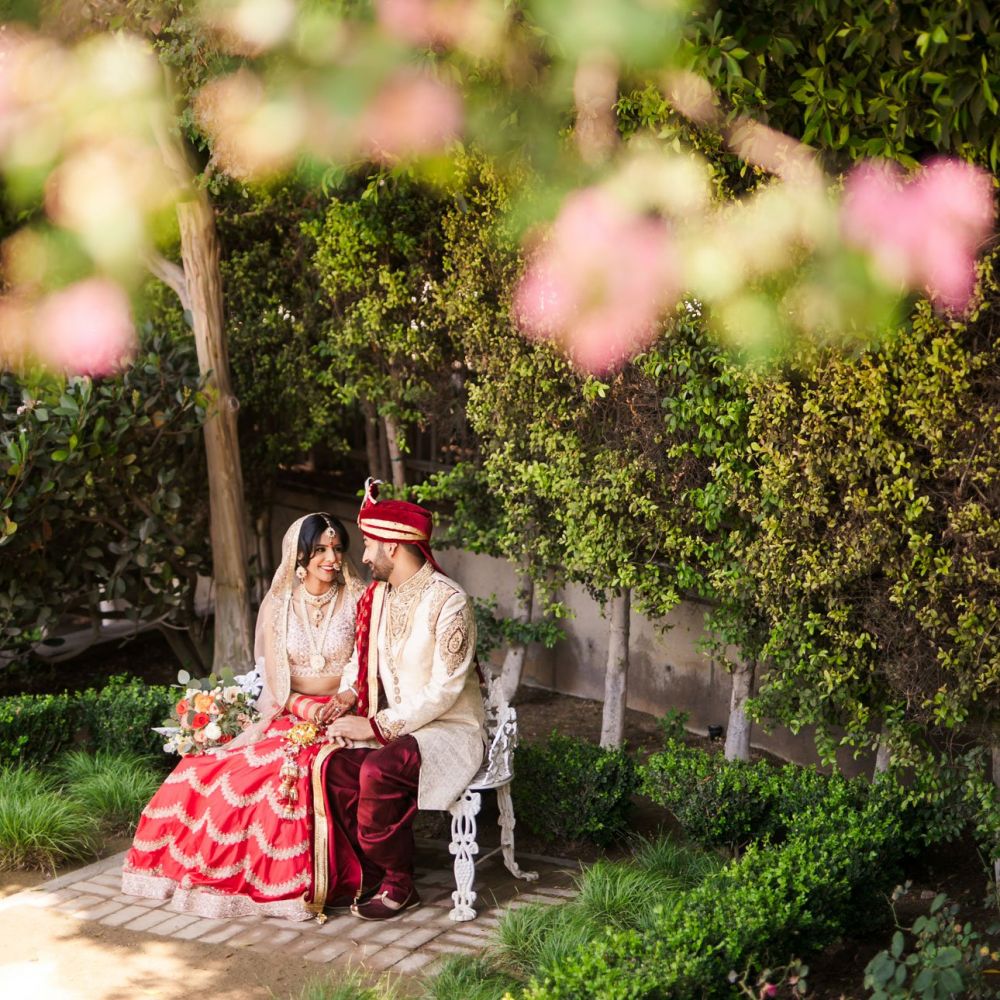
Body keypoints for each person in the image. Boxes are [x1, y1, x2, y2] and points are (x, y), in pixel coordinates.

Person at [121, 513, 366, 920]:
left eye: (337, 548)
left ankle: (285, 887)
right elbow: (275, 678)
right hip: (291, 712)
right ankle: (196, 877)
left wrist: (345, 698)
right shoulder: (279, 603)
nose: (331, 557)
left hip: (344, 715)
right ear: (300, 554)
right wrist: (306, 708)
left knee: (280, 784)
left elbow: (364, 662)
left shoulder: (359, 596)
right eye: (321, 549)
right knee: (204, 773)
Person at [323, 479, 487, 920]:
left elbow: (446, 689)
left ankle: (400, 883)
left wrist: (376, 727)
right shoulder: (379, 597)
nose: (362, 555)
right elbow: (362, 659)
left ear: (393, 546)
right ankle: (363, 873)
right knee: (335, 768)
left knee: (377, 770)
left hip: (448, 731)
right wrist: (345, 695)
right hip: (402, 729)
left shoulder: (449, 601)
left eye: (369, 544)